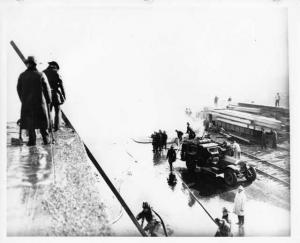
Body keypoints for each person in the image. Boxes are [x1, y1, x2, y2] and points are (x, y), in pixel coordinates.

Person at [17, 56, 52, 146]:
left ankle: (32, 141)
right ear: (35, 64)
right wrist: (48, 101)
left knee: (30, 124)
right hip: (40, 103)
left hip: (27, 104)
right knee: (42, 123)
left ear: (28, 64)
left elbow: (18, 89)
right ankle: (46, 140)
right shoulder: (41, 75)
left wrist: (23, 99)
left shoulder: (22, 75)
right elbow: (47, 90)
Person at [43, 61, 66, 131]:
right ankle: (56, 127)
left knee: (48, 111)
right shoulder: (56, 73)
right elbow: (61, 85)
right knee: (57, 111)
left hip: (46, 95)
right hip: (55, 95)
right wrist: (64, 96)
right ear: (55, 66)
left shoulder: (43, 73)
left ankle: (49, 127)